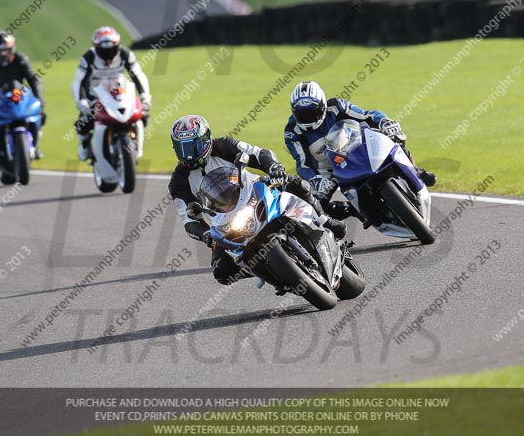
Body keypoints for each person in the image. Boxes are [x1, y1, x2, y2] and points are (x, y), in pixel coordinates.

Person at [169, 114, 346, 285]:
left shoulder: (224, 145)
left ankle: (325, 220)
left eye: (193, 147)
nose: (189, 155)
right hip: (226, 221)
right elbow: (188, 220)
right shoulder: (178, 182)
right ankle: (270, 273)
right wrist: (206, 234)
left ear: (206, 139)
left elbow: (258, 153)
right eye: (182, 148)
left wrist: (273, 167)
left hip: (256, 191)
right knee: (221, 271)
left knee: (296, 184)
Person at [285, 81, 436, 209]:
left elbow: (367, 115)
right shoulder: (293, 132)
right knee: (314, 206)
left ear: (322, 106)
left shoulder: (337, 106)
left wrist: (385, 121)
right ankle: (353, 211)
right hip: (328, 169)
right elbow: (302, 164)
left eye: (311, 112)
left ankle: (414, 170)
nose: (307, 118)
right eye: (301, 114)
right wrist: (315, 180)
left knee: (394, 137)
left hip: (354, 148)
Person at [71, 26, 151, 161]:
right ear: (96, 47)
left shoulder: (125, 54)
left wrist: (145, 97)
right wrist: (82, 102)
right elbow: (79, 81)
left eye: (111, 49)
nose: (108, 55)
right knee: (83, 123)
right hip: (95, 96)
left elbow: (138, 75)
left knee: (143, 116)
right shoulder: (88, 57)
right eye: (103, 50)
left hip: (119, 93)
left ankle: (135, 144)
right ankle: (84, 143)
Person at [0, 31, 45, 161]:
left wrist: (39, 99)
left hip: (17, 94)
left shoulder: (21, 60)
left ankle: (34, 144)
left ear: (11, 49)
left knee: (40, 115)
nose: (2, 54)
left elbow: (33, 80)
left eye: (5, 51)